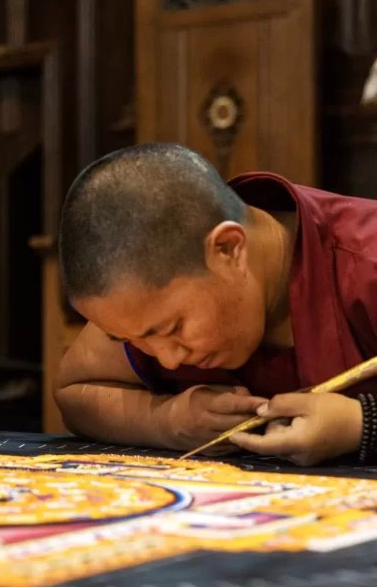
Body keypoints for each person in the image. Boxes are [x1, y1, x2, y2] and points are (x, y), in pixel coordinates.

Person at [54, 142, 377, 466]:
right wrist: (166, 421)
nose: (168, 360)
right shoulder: (146, 299)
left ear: (228, 249)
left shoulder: (365, 261)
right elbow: (73, 390)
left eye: (173, 328)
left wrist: (362, 424)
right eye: (131, 340)